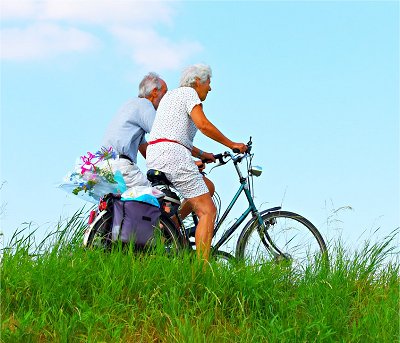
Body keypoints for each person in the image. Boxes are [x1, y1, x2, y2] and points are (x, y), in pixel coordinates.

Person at [146, 64, 247, 261]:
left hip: (157, 154)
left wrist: (203, 154)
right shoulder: (189, 93)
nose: (210, 88)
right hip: (172, 155)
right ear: (198, 81)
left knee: (207, 187)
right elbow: (203, 124)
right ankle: (201, 272)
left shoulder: (171, 97)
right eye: (209, 82)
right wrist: (232, 143)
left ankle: (171, 226)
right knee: (207, 211)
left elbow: (173, 134)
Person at [102, 72, 168, 188]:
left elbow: (146, 150)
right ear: (154, 92)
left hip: (105, 166)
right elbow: (164, 136)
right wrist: (189, 161)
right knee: (159, 198)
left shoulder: (130, 105)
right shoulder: (145, 104)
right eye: (165, 93)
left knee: (124, 204)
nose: (166, 98)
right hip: (121, 167)